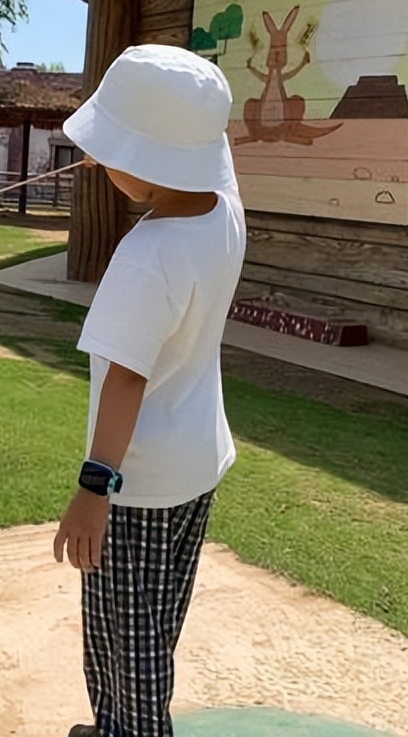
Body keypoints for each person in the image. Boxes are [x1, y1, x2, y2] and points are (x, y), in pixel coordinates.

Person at [53, 44, 247, 737]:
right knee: (155, 620)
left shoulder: (146, 258)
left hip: (135, 482)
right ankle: (118, 730)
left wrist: (91, 489)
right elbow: (203, 155)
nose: (100, 163)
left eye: (110, 150)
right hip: (196, 461)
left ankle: (132, 730)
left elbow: (126, 380)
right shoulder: (223, 210)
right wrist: (133, 161)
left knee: (121, 637)